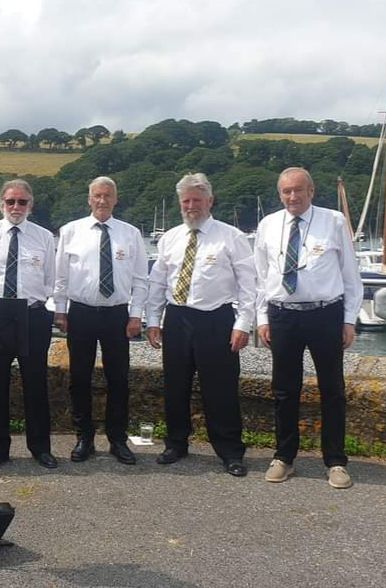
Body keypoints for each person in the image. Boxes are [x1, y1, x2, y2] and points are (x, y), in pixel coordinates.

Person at [255, 167, 362, 489]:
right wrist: (262, 319)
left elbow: (350, 275)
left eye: (298, 190)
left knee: (332, 390)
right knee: (284, 391)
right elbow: (261, 278)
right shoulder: (268, 224)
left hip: (324, 314)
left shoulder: (333, 221)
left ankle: (336, 461)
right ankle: (284, 457)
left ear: (311, 191)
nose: (292, 197)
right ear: (280, 194)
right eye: (286, 191)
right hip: (283, 315)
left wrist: (348, 320)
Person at [146, 172, 254, 477]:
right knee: (174, 387)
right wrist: (153, 320)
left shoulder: (231, 236)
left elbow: (249, 284)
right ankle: (176, 443)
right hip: (178, 317)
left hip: (216, 319)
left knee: (221, 390)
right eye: (186, 201)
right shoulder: (170, 237)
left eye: (196, 200)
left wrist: (244, 324)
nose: (191, 206)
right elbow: (157, 282)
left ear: (209, 200)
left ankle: (230, 450)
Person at [54, 176, 148, 465]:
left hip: (117, 314)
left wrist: (136, 315)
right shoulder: (70, 232)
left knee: (118, 379)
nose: (102, 200)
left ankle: (117, 439)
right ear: (89, 198)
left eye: (107, 195)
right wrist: (60, 310)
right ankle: (85, 437)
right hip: (81, 312)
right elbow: (61, 276)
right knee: (79, 378)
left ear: (116, 199)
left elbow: (141, 279)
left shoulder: (130, 234)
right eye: (97, 195)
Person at [0, 179, 58, 470]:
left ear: (31, 205)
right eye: (10, 202)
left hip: (32, 315)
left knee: (36, 384)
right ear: (1, 204)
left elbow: (51, 280)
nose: (16, 207)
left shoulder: (44, 238)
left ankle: (40, 448)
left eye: (22, 202)